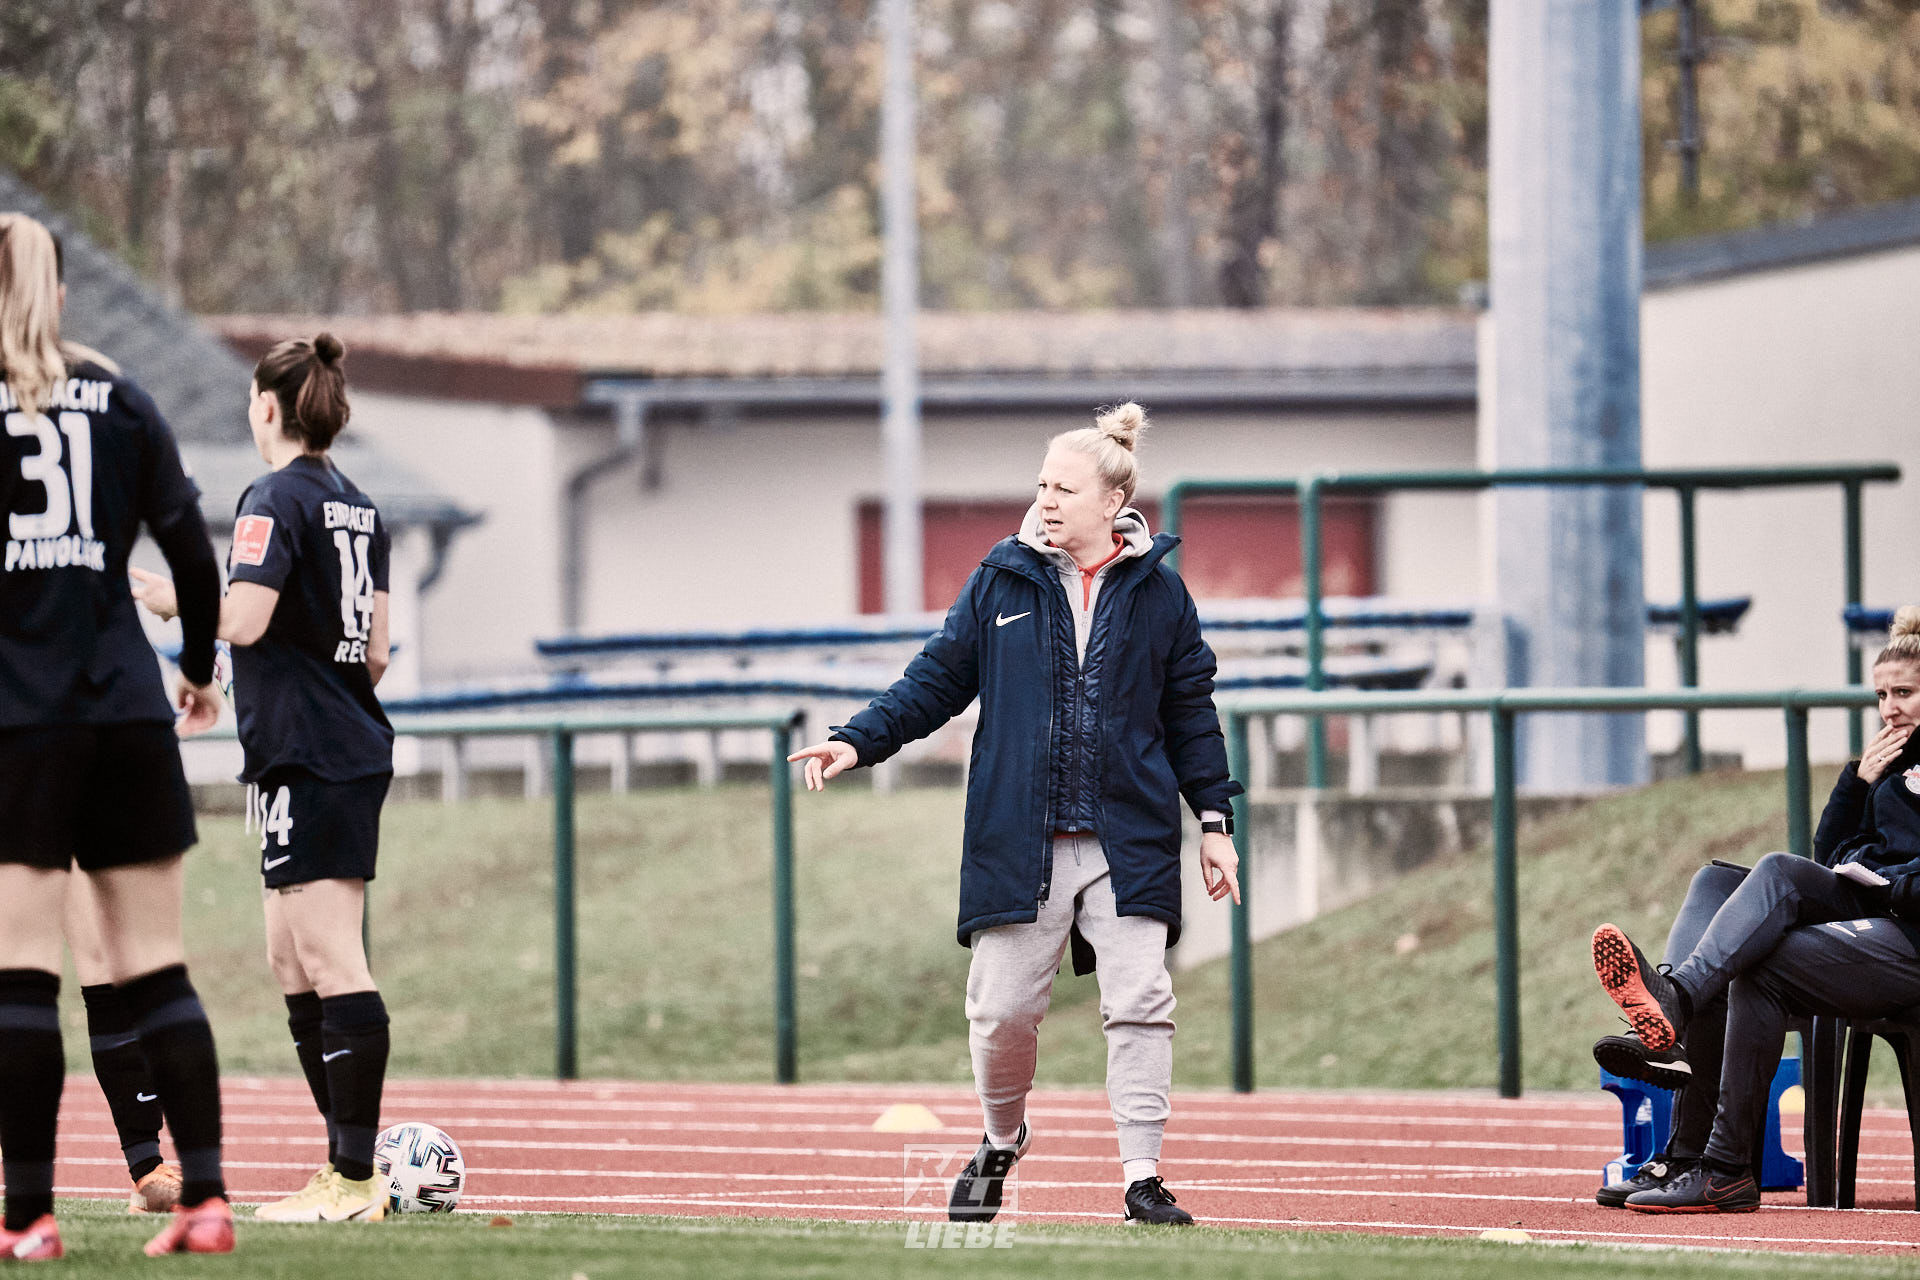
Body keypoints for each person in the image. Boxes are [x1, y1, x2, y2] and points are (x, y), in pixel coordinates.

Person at [788, 404, 1242, 1227]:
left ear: (1114, 501)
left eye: (1065, 487)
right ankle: (1002, 1141)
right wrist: (857, 741)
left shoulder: (1161, 594)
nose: (1047, 499)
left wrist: (1214, 822)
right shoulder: (1002, 579)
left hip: (1128, 836)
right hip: (1016, 835)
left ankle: (1142, 1177)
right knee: (1001, 1015)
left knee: (1140, 999)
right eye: (1041, 484)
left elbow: (1192, 714)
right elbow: (933, 680)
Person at [0, 211, 233, 1258]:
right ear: (60, 295)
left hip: (20, 723)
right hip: (128, 712)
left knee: (18, 977)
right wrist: (192, 673)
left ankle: (30, 1214)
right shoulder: (123, 398)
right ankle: (207, 1201)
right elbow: (192, 554)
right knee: (158, 967)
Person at [134, 333, 395, 1224]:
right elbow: (380, 651)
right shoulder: (357, 502)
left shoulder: (273, 495)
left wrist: (168, 595)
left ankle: (357, 1180)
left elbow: (240, 619)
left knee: (329, 955)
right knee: (290, 957)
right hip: (330, 744)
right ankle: (346, 1165)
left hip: (312, 750)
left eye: (253, 400)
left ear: (271, 407)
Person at [1589, 606, 1920, 1213]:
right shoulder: (1890, 766)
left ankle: (1719, 1163)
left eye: (1905, 693)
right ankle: (1679, 1019)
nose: (1889, 709)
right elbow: (1827, 853)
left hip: (1908, 936)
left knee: (1758, 961)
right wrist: (1856, 783)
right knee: (1732, 879)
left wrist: (1889, 881)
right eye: (1880, 695)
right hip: (1868, 908)